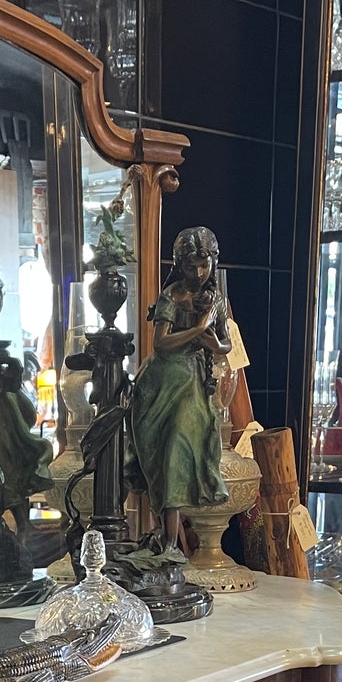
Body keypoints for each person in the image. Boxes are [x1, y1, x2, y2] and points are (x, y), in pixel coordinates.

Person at [129, 224, 232, 550]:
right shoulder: (173, 295)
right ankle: (165, 541)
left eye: (205, 265)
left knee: (176, 455)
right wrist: (198, 329)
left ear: (214, 262)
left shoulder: (215, 299)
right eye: (191, 266)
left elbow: (225, 343)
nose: (199, 272)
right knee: (158, 460)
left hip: (192, 386)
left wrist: (216, 344)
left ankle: (171, 543)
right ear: (179, 265)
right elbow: (160, 343)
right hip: (160, 384)